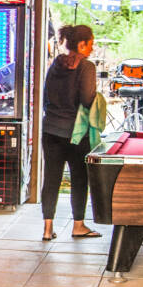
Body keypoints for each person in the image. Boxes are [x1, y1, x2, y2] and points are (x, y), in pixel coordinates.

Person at [40, 24, 101, 241]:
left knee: (51, 178)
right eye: (91, 44)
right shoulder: (87, 67)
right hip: (76, 133)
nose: (92, 49)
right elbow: (86, 99)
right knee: (79, 178)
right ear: (82, 44)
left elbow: (47, 96)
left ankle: (48, 229)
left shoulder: (55, 64)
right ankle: (78, 225)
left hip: (50, 130)